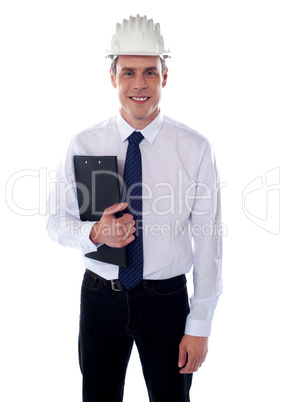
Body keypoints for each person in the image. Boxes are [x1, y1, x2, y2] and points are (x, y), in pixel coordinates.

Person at [46, 14, 223, 402]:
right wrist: (92, 233)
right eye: (128, 72)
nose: (139, 84)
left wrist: (200, 323)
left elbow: (208, 240)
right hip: (99, 297)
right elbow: (55, 222)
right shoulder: (85, 143)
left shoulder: (194, 148)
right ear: (113, 78)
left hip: (168, 302)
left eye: (149, 72)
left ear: (165, 76)